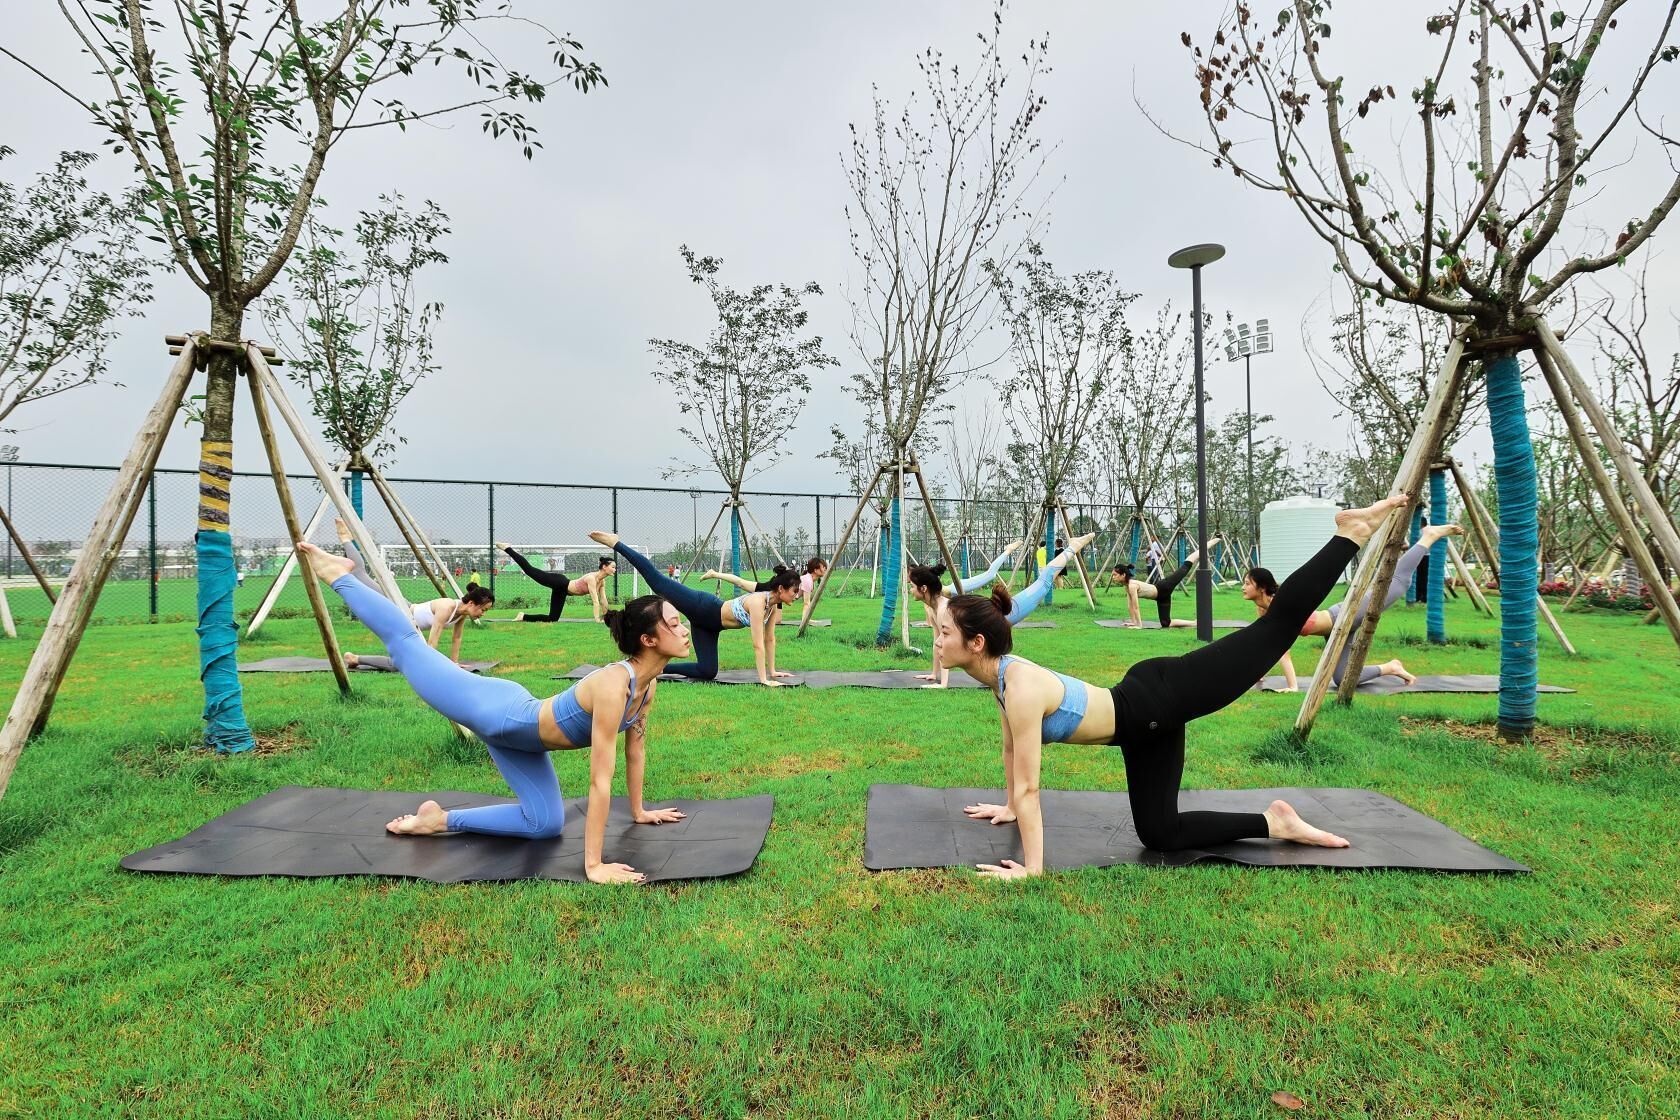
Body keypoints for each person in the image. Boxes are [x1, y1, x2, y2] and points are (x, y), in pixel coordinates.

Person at [933, 495, 1414, 878]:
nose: (937, 642)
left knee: (1278, 627)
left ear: (976, 643)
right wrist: (1008, 807)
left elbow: (1031, 786)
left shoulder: (1018, 686)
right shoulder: (1000, 677)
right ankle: (1276, 822)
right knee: (1160, 834)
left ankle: (1349, 534)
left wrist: (1033, 868)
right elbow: (1012, 755)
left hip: (1160, 697)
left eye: (944, 634)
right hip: (1143, 726)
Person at [297, 541, 689, 885]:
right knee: (405, 645)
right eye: (675, 623)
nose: (685, 628)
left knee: (544, 825)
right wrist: (594, 865)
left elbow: (635, 751)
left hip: (523, 739)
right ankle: (341, 575)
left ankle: (437, 820)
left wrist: (639, 812)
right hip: (496, 714)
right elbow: (600, 781)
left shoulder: (647, 687)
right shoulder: (612, 685)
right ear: (648, 639)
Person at [591, 531, 800, 685]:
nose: (797, 594)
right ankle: (616, 543)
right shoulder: (758, 602)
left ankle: (659, 668)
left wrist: (773, 671)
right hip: (703, 607)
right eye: (794, 590)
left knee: (708, 671)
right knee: (658, 583)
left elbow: (769, 639)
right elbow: (757, 644)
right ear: (781, 588)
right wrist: (764, 680)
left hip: (709, 627)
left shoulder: (772, 607)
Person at [1294, 521, 1464, 686]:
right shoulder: (1269, 613)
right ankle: (1391, 667)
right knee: (1342, 678)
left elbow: (1282, 653)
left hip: (1342, 616)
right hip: (1335, 630)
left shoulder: (1273, 609)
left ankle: (1428, 537)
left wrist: (1292, 685)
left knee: (1399, 582)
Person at [905, 539, 1059, 687]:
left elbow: (945, 645)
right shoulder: (934, 608)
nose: (909, 589)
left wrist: (943, 684)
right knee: (1041, 584)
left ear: (924, 588)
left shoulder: (943, 607)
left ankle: (1070, 549)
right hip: (989, 620)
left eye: (912, 585)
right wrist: (934, 674)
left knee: (1043, 584)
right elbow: (938, 644)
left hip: (998, 617)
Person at [336, 519, 492, 663]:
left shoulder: (461, 614)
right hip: (400, 608)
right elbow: (433, 639)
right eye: (483, 609)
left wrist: (455, 664)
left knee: (402, 663)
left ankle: (355, 659)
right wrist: (430, 664)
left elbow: (456, 638)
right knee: (359, 574)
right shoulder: (447, 607)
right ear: (472, 603)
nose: (483, 614)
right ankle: (345, 538)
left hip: (404, 623)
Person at [1112, 538, 1218, 629]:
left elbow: (1136, 607)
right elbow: (1130, 606)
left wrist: (1139, 625)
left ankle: (1209, 544)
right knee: (1165, 623)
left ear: (1123, 575)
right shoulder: (1127, 586)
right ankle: (1195, 623)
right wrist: (1132, 622)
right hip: (1161, 597)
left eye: (1115, 575)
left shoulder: (1132, 586)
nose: (1113, 577)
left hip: (1164, 587)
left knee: (1185, 567)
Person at [497, 543, 614, 623]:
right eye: (613, 567)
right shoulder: (591, 578)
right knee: (529, 570)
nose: (615, 570)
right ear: (604, 567)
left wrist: (606, 618)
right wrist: (597, 619)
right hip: (559, 582)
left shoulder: (602, 581)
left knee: (552, 619)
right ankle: (508, 548)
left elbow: (603, 600)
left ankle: (522, 616)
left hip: (562, 591)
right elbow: (595, 601)